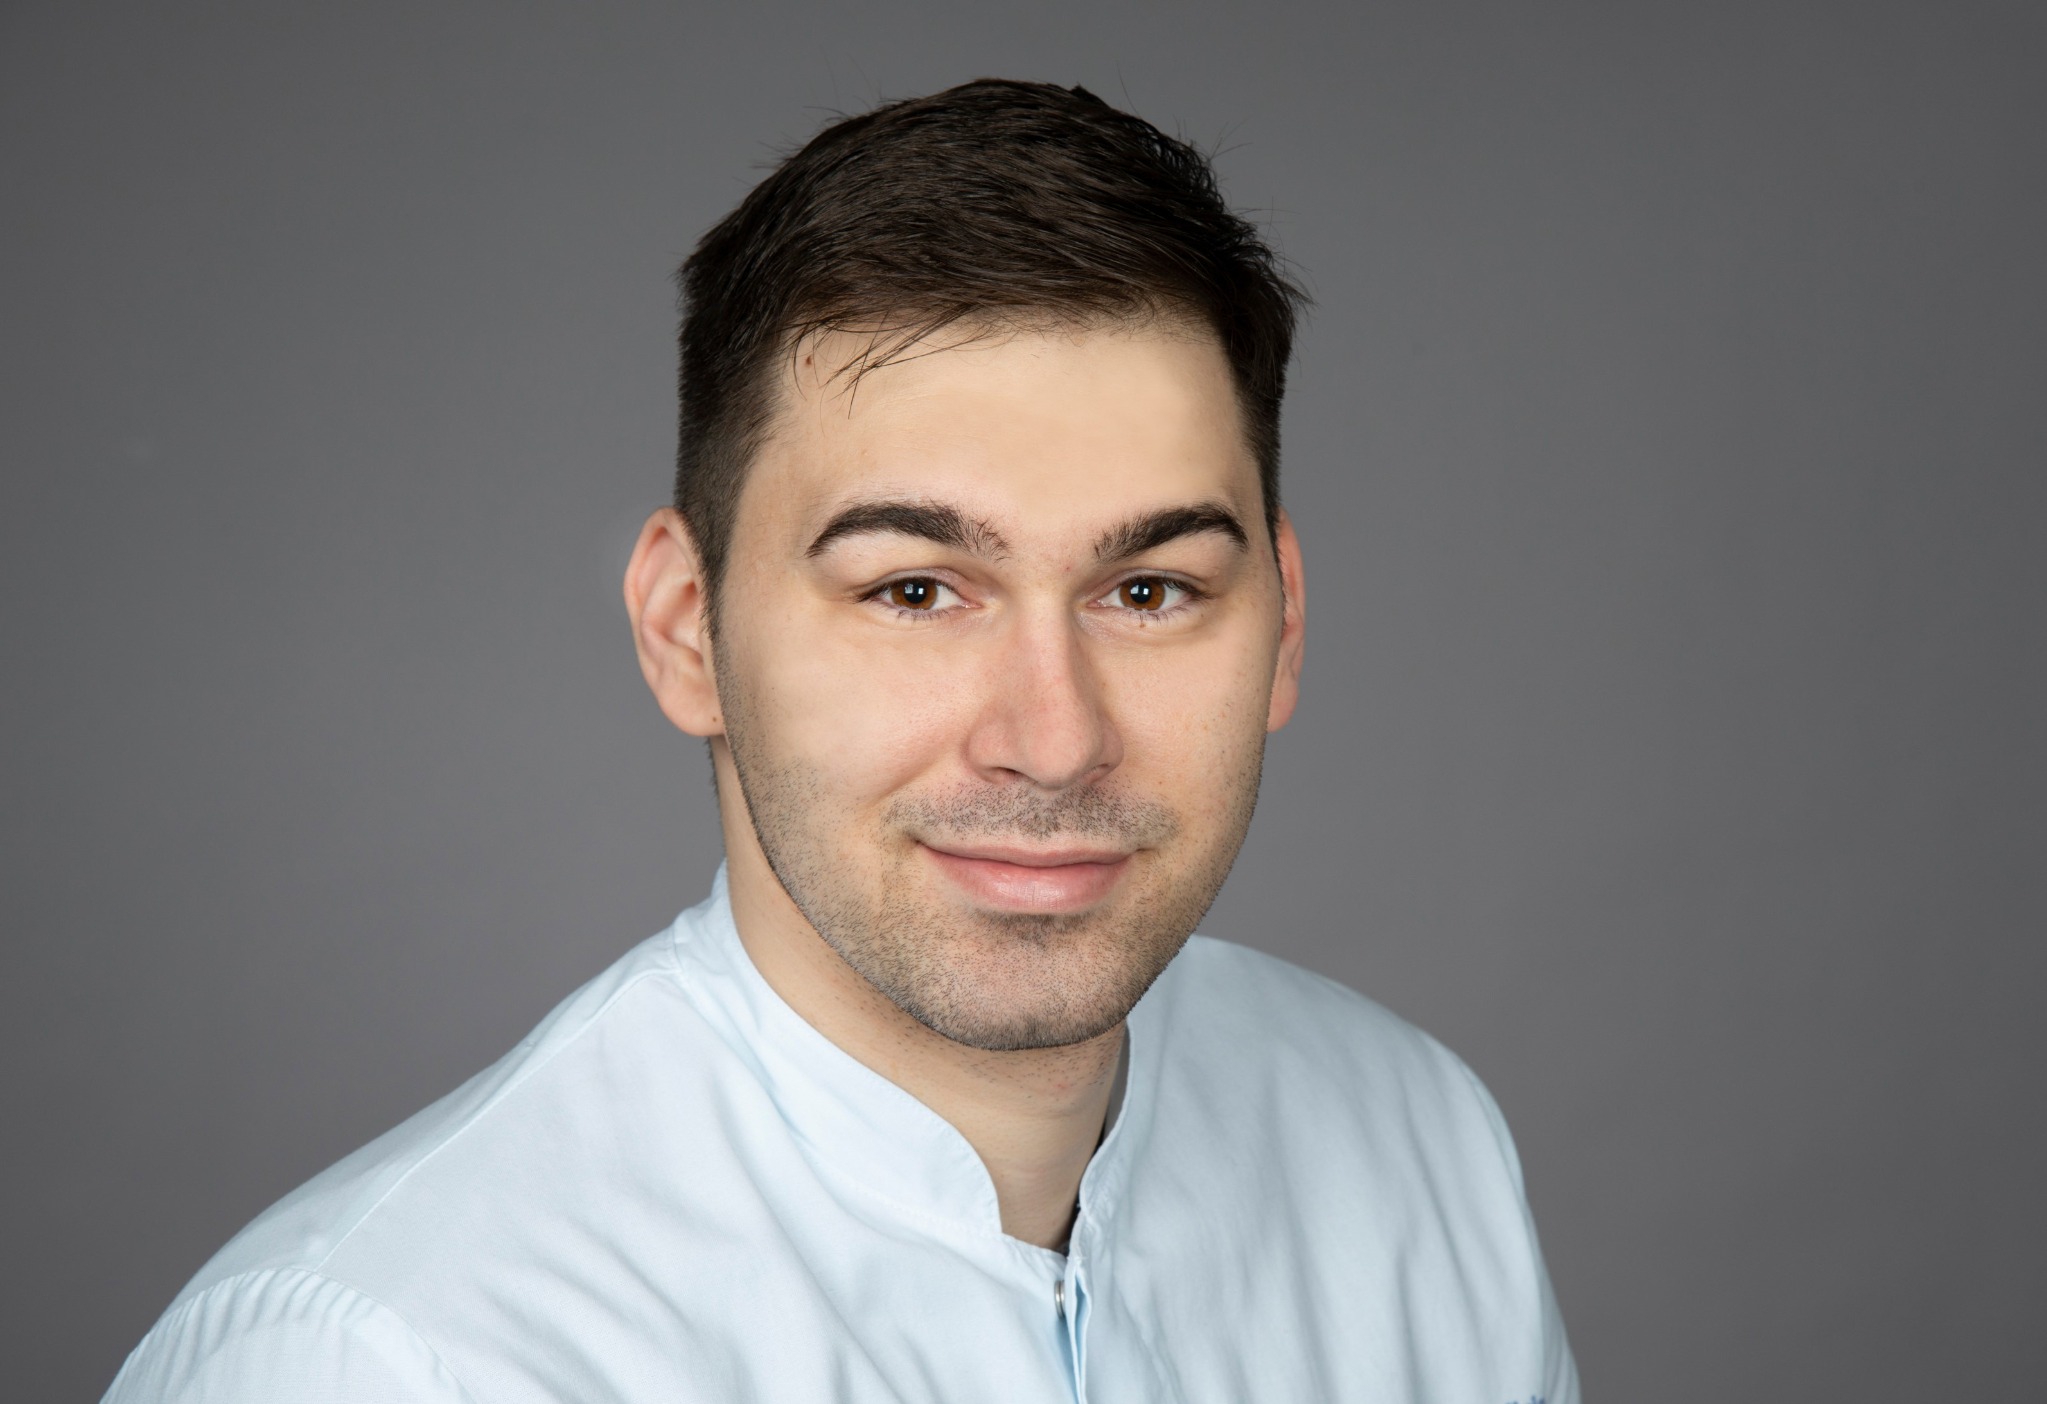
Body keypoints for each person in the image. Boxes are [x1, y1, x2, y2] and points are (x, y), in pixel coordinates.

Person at [105, 79, 1578, 1403]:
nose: (1053, 740)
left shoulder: (1417, 1147)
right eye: (915, 591)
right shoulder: (386, 1362)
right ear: (687, 629)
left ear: (1285, 624)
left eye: (1148, 590)